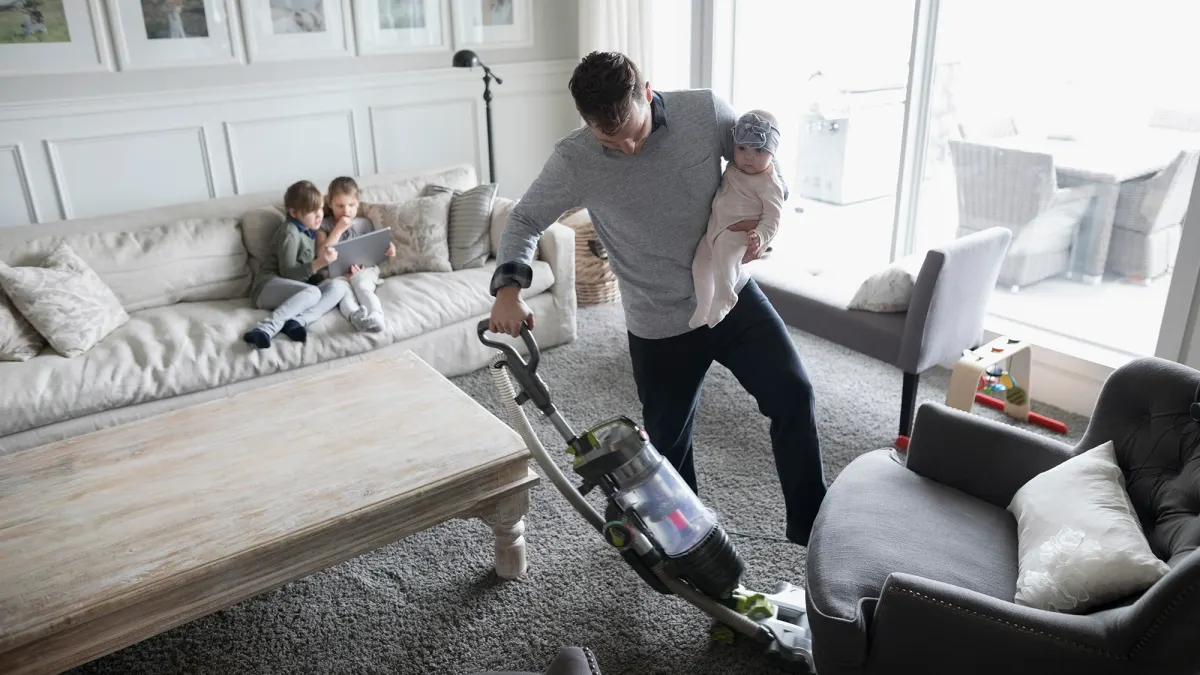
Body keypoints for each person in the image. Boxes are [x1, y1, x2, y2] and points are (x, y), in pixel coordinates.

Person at [487, 51, 827, 546]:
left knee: (794, 394)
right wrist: (508, 291)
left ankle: (812, 527)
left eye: (633, 131)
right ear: (587, 123)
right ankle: (691, 544)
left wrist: (763, 227)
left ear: (648, 93)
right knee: (668, 449)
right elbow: (523, 219)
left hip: (730, 295)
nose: (626, 147)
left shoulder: (705, 112)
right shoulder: (574, 158)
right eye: (609, 138)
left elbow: (764, 168)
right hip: (659, 322)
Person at [690, 109, 786, 329]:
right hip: (716, 227)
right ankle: (703, 305)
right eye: (742, 148)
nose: (748, 156)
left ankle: (725, 298)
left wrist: (760, 236)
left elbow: (774, 216)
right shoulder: (734, 166)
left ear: (773, 153)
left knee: (724, 263)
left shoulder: (769, 183)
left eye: (759, 150)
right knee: (700, 263)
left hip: (740, 232)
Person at [243, 180, 350, 349]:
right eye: (311, 211)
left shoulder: (310, 231)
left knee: (340, 287)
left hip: (297, 289)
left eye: (320, 209)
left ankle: (296, 321)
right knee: (313, 292)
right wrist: (319, 262)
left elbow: (307, 273)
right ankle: (265, 328)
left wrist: (330, 268)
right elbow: (288, 274)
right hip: (266, 287)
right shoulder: (289, 232)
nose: (319, 215)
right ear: (293, 212)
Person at [318, 177, 396, 333]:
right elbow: (321, 254)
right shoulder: (323, 226)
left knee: (362, 286)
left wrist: (389, 249)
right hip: (338, 276)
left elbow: (376, 248)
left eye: (351, 205)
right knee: (343, 294)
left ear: (357, 203)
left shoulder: (365, 223)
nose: (346, 211)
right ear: (330, 205)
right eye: (340, 206)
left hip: (364, 271)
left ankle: (376, 316)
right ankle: (356, 318)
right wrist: (338, 229)